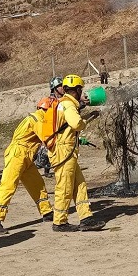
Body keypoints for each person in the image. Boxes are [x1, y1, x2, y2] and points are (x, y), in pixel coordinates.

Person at [0, 98, 56, 235]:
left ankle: (47, 212)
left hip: (26, 156)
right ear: (47, 109)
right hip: (18, 154)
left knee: (37, 184)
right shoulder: (37, 119)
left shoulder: (37, 118)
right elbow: (46, 138)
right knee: (8, 185)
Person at [50, 75, 106, 232]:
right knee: (65, 187)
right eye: (80, 89)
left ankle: (86, 218)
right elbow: (76, 124)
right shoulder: (67, 105)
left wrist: (87, 115)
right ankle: (59, 222)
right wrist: (87, 120)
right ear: (75, 90)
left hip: (67, 150)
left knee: (80, 185)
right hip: (64, 151)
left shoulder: (65, 104)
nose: (82, 92)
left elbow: (71, 123)